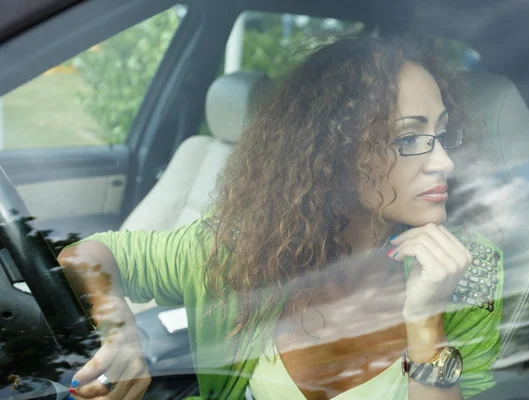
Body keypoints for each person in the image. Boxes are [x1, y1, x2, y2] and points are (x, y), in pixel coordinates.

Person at [58, 35, 503, 400]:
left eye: (441, 134)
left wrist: (427, 323)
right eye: (410, 137)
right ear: (335, 154)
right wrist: (119, 331)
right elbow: (89, 253)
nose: (444, 161)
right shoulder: (244, 247)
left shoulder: (467, 268)